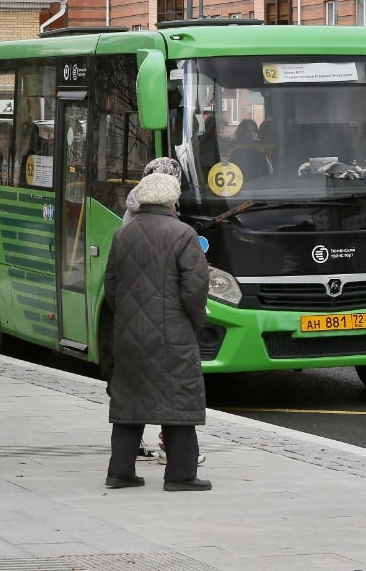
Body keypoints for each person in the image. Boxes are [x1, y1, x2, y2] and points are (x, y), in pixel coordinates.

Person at [103, 171, 212, 492]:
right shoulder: (183, 234)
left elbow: (110, 285)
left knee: (129, 402)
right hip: (172, 332)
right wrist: (193, 322)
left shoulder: (122, 234)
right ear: (171, 200)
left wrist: (126, 317)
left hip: (128, 331)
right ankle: (180, 475)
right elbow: (195, 289)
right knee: (178, 400)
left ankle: (119, 472)